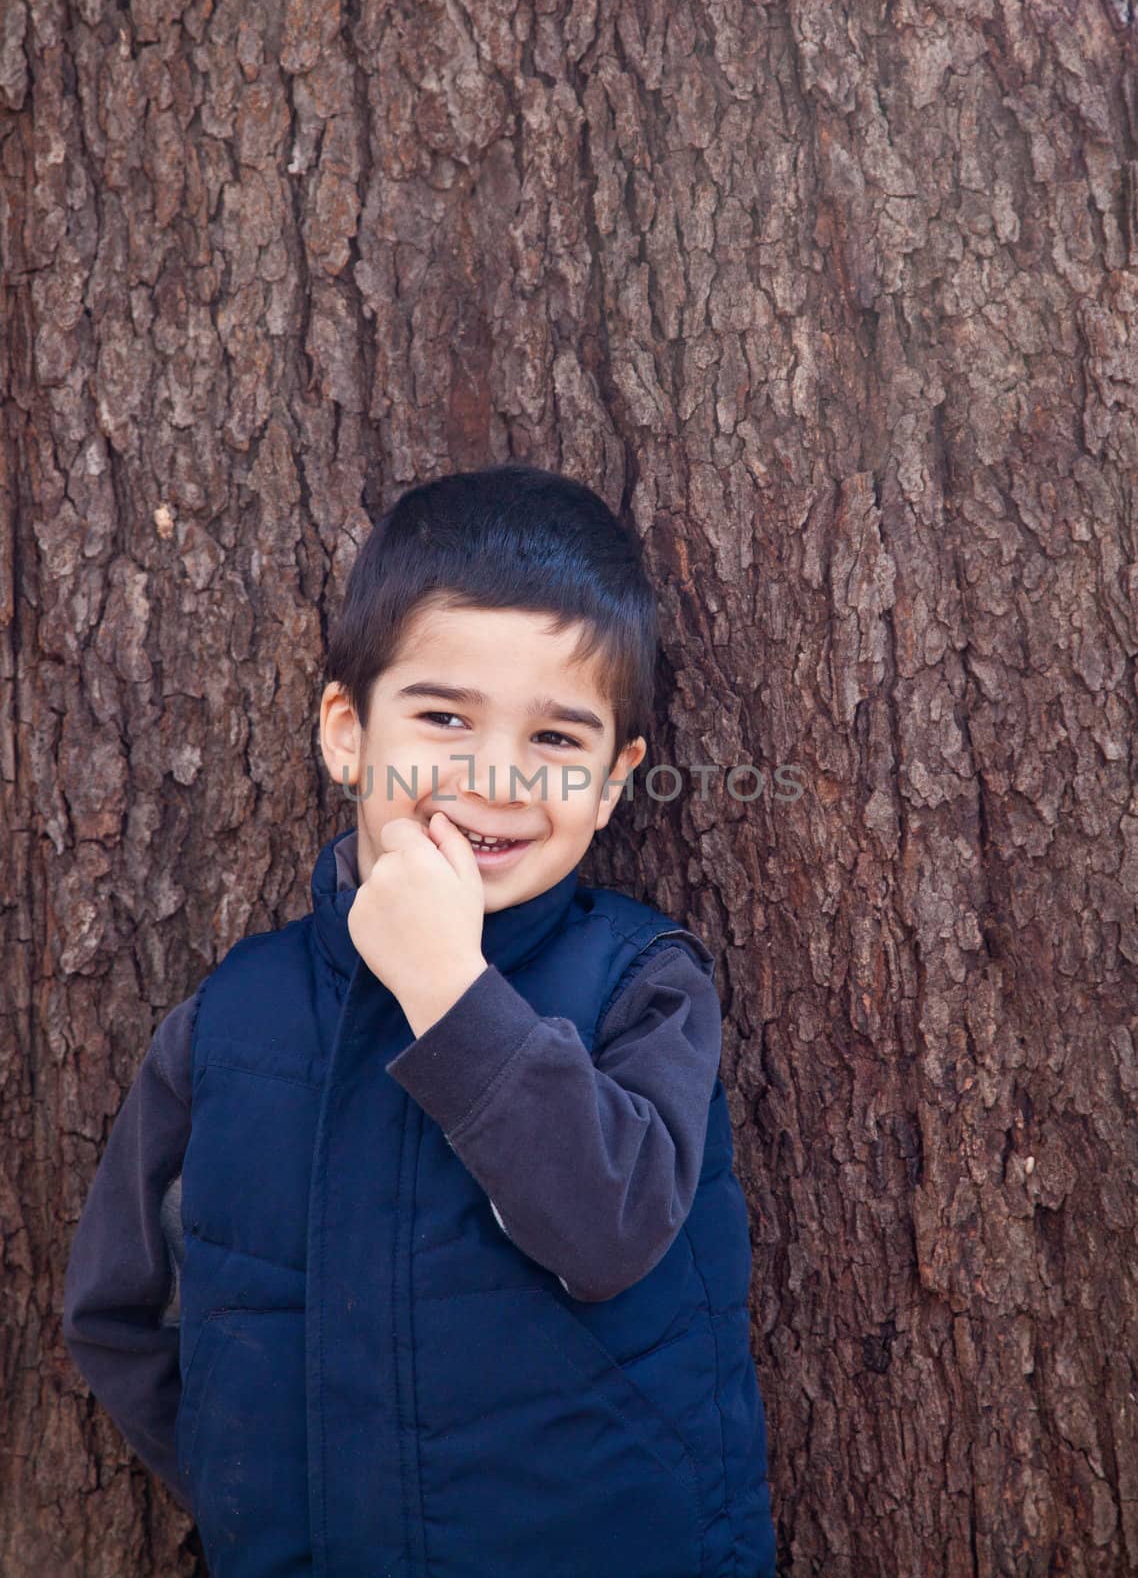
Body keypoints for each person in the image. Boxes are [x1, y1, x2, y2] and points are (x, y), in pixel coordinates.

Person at [62, 462, 778, 1577]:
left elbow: (607, 1228)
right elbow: (117, 1310)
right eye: (443, 715)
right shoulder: (235, 1018)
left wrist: (449, 987)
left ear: (612, 778)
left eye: (556, 739)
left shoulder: (641, 982)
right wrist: (265, 1486)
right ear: (347, 731)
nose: (494, 774)